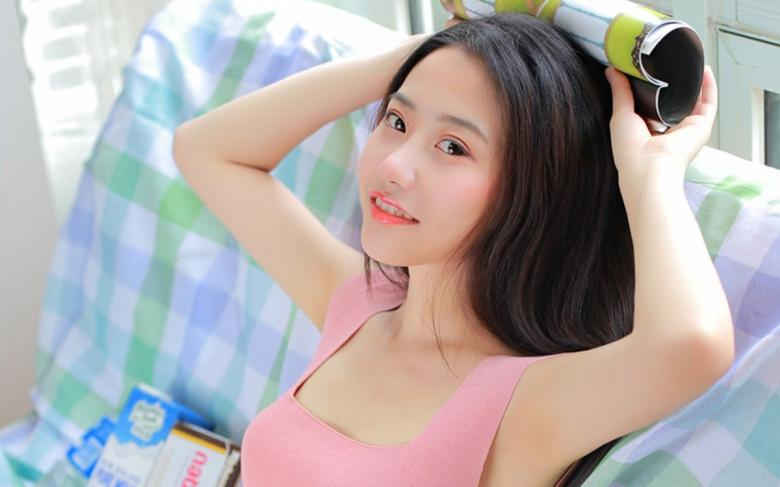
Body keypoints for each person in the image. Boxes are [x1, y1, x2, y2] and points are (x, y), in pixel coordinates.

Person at [172, 12, 733, 487]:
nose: (393, 166)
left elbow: (691, 346)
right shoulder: (357, 308)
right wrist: (425, 56)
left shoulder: (519, 406)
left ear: (535, 189)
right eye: (397, 120)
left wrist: (652, 174)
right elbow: (205, 151)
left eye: (452, 147)